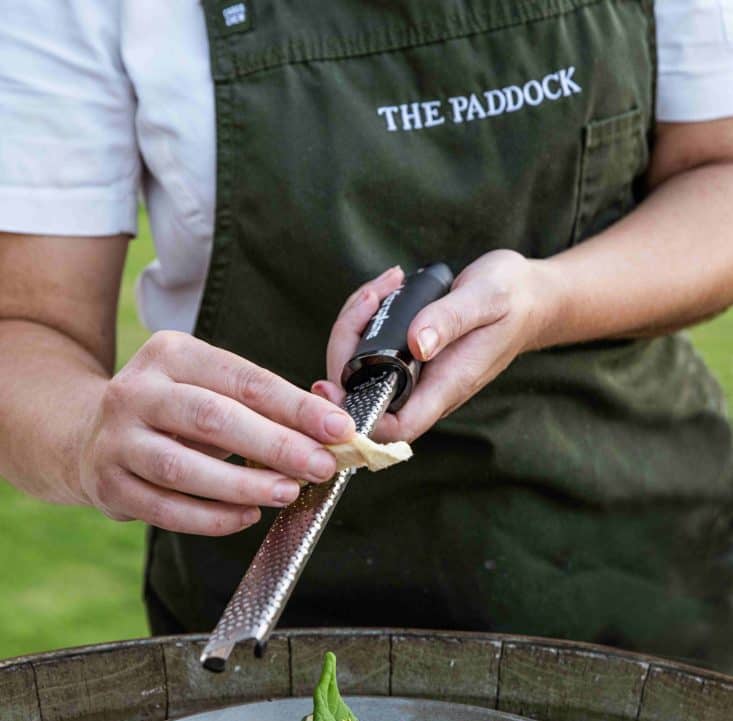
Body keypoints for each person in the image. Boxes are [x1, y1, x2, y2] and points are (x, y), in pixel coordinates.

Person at [1, 0, 733, 671]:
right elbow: (27, 325)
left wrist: (550, 298)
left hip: (643, 572)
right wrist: (85, 437)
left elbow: (717, 171)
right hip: (289, 633)